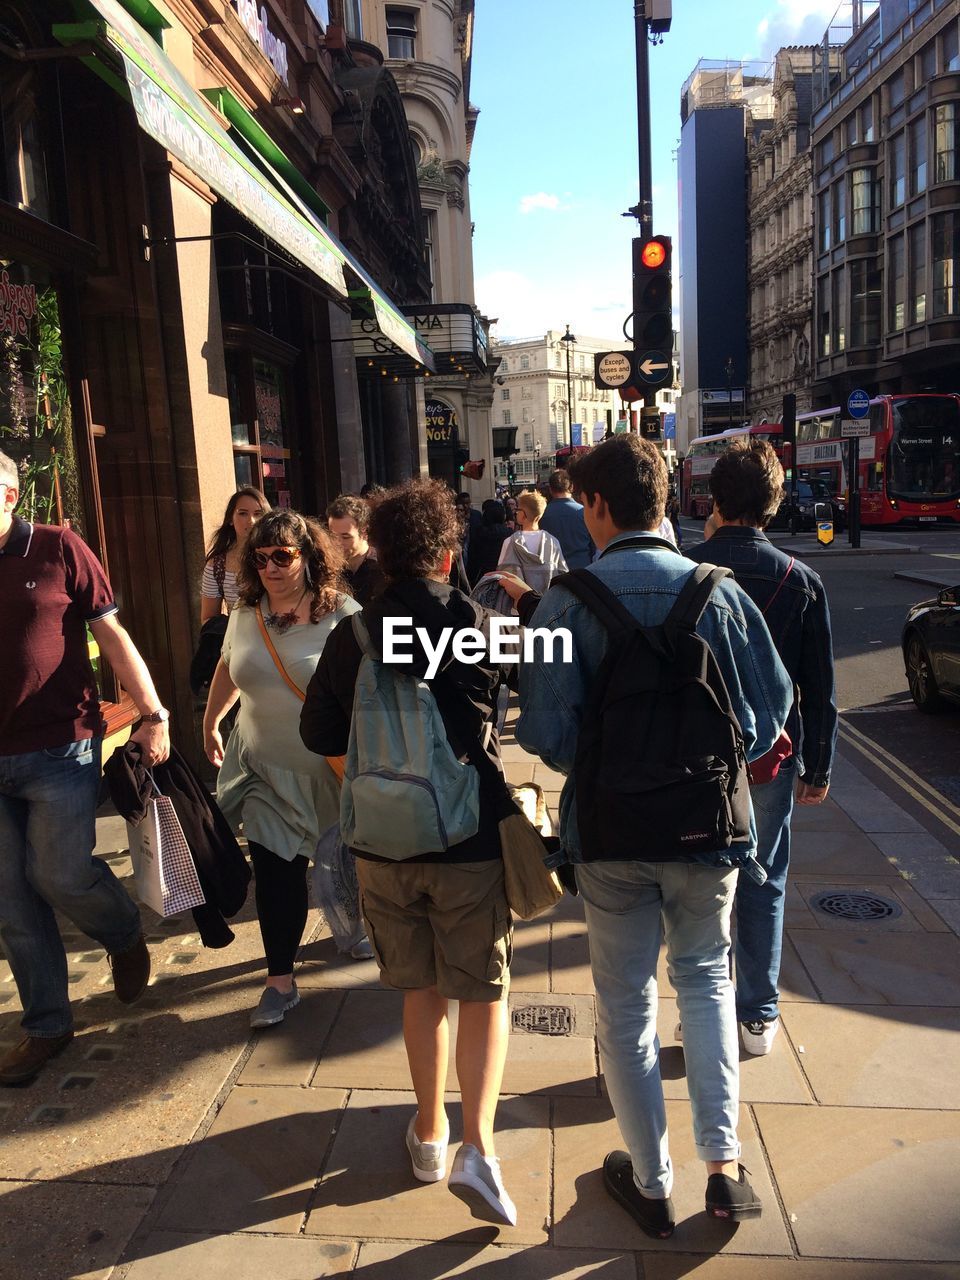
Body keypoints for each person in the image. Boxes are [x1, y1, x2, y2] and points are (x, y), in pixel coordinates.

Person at [501, 435, 792, 1237]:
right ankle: (724, 1170)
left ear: (596, 507)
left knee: (623, 1004)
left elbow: (547, 736)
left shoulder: (568, 600)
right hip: (707, 828)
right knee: (705, 981)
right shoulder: (720, 594)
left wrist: (612, 761)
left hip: (612, 835)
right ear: (665, 500)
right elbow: (768, 720)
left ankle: (653, 1181)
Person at [300, 478, 517, 1227]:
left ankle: (429, 1133)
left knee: (419, 988)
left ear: (381, 557)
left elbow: (320, 737)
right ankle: (480, 1148)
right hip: (470, 840)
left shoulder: (350, 636)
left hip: (382, 847)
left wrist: (375, 786)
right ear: (448, 553)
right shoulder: (482, 626)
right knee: (482, 989)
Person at [0, 448, 169, 1086]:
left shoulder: (57, 547)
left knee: (61, 874)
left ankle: (123, 932)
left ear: (10, 495)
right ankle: (46, 1026)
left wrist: (152, 712)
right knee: (11, 902)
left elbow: (113, 637)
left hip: (57, 746)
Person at [687, 440, 837, 1056]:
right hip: (770, 758)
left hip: (694, 757)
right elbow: (819, 689)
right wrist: (818, 766)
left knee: (700, 880)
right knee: (764, 879)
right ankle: (757, 1016)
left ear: (715, 500)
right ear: (774, 505)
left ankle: (705, 1005)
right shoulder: (801, 581)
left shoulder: (686, 573)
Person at [202, 509, 361, 1028]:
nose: (270, 566)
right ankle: (279, 981)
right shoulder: (245, 613)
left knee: (347, 863)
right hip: (262, 768)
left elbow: (373, 691)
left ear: (309, 556)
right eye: (260, 557)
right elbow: (229, 667)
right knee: (276, 872)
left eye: (283, 555)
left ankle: (360, 924)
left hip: (327, 772)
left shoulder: (341, 615)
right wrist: (210, 724)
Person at [200, 486, 269, 622]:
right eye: (243, 513)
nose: (251, 521)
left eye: (258, 514)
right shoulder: (217, 565)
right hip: (239, 640)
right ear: (230, 519)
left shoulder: (281, 558)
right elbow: (208, 619)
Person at [496, 489, 567, 593]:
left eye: (518, 510)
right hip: (547, 604)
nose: (516, 513)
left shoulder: (510, 542)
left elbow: (502, 575)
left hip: (518, 605)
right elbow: (563, 574)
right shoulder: (552, 542)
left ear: (523, 514)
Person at [326, 494, 385, 608]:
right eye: (333, 536)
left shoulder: (382, 568)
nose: (337, 544)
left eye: (346, 537)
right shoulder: (327, 568)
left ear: (364, 533)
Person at [539, 468, 594, 569]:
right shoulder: (584, 512)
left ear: (551, 490)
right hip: (582, 569)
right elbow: (593, 547)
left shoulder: (542, 515)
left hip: (554, 571)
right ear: (571, 487)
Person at [468, 499, 512, 584]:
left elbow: (473, 556)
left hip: (484, 574)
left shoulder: (480, 533)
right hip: (504, 574)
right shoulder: (509, 533)